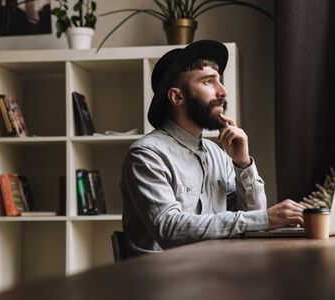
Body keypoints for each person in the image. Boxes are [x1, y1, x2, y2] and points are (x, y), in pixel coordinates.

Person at [121, 40, 305, 255]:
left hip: (213, 269)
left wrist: (242, 164)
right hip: (164, 280)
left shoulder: (217, 153)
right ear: (177, 96)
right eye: (209, 82)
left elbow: (252, 219)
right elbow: (169, 228)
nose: (223, 91)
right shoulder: (146, 155)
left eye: (220, 81)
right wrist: (265, 218)